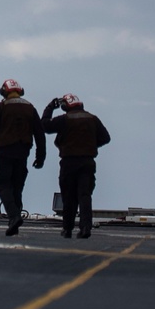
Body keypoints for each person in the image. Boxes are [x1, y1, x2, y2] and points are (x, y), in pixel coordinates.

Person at [0, 78, 46, 236]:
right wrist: (41, 155)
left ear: (4, 91)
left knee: (2, 184)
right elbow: (39, 134)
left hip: (4, 151)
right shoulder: (30, 108)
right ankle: (14, 222)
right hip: (23, 151)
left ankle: (14, 216)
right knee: (17, 186)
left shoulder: (1, 107)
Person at [42, 93, 110, 239]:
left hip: (68, 162)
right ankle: (85, 227)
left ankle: (67, 229)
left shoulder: (64, 119)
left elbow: (45, 126)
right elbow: (106, 138)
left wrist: (49, 108)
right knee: (85, 196)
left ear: (66, 106)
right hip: (87, 162)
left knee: (69, 197)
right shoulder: (93, 119)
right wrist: (90, 146)